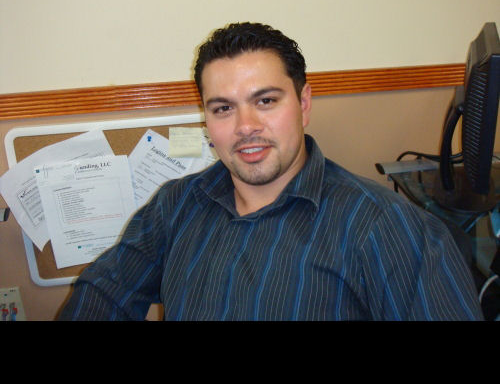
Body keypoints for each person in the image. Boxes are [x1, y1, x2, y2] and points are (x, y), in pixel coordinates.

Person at [58, 22, 484, 321]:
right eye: (223, 108)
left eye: (265, 101)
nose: (245, 126)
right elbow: (102, 293)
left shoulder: (387, 227)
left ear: (304, 104)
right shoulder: (176, 205)